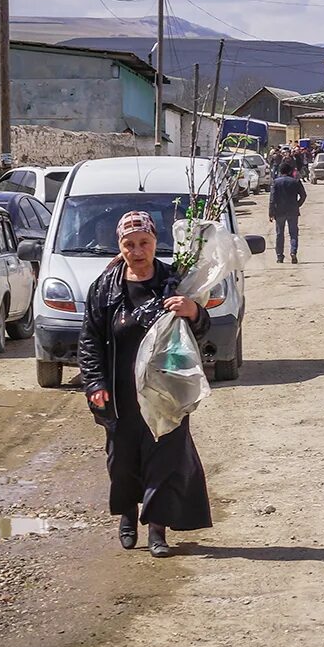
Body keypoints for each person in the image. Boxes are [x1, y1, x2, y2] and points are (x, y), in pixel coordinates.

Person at [78, 211, 213, 558]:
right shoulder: (104, 287)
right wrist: (94, 383)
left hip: (163, 389)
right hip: (120, 391)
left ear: (155, 243)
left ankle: (157, 530)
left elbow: (199, 331)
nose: (137, 251)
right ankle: (127, 515)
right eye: (129, 244)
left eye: (144, 243)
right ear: (120, 246)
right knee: (121, 460)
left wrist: (193, 311)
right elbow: (90, 339)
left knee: (164, 459)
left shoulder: (174, 282)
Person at [269, 160, 307, 264]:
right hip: (293, 211)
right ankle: (293, 252)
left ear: (280, 171)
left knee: (279, 234)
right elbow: (303, 195)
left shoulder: (276, 182)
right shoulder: (295, 181)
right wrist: (297, 205)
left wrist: (271, 213)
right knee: (293, 233)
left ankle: (279, 256)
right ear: (290, 171)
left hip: (279, 211)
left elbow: (272, 199)